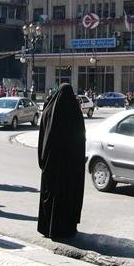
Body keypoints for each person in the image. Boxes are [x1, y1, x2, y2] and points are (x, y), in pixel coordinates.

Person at [37, 83, 86, 238]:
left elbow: (41, 139)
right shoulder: (74, 113)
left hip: (50, 165)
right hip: (69, 168)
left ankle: (46, 228)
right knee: (66, 197)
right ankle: (64, 229)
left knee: (50, 196)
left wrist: (42, 161)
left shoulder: (48, 111)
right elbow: (80, 140)